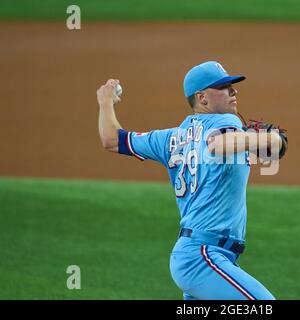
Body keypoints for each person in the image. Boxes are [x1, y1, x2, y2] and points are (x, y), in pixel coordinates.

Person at [96, 61, 287, 300]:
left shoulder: (170, 138)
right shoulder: (226, 122)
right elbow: (219, 143)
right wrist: (272, 139)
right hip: (203, 258)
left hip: (194, 256)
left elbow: (112, 140)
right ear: (202, 98)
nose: (233, 91)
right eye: (224, 87)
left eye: (232, 86)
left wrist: (105, 103)